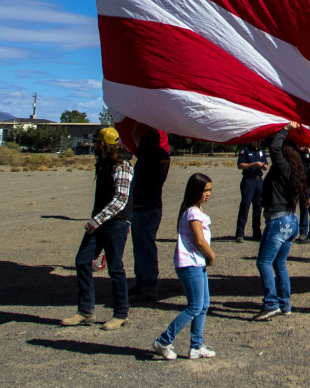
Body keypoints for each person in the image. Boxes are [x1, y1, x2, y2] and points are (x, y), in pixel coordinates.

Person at [62, 127, 135, 330]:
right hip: (101, 220)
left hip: (117, 222)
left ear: (102, 145)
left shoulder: (122, 166)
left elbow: (121, 200)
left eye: (95, 142)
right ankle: (86, 311)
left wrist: (97, 220)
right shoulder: (103, 163)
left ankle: (121, 313)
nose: (92, 145)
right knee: (83, 260)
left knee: (115, 267)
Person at [151, 173, 216, 360]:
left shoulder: (194, 210)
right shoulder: (193, 213)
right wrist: (211, 255)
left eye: (210, 190)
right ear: (195, 191)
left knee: (203, 305)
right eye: (205, 190)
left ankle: (196, 345)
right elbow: (199, 241)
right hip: (190, 265)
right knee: (195, 306)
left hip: (197, 264)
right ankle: (164, 341)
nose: (208, 194)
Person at [254, 121, 310, 321]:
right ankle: (285, 304)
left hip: (278, 221)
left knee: (263, 262)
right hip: (291, 222)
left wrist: (285, 129)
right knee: (280, 264)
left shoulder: (283, 167)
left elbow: (274, 147)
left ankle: (271, 303)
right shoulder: (295, 171)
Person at [129, 127, 170, 303]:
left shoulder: (152, 156)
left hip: (148, 207)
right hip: (143, 206)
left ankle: (149, 285)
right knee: (140, 247)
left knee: (146, 248)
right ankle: (141, 281)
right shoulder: (155, 155)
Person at [235, 140, 267, 242]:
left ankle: (257, 233)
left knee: (258, 207)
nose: (258, 143)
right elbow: (240, 165)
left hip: (259, 180)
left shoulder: (261, 151)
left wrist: (264, 166)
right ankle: (240, 233)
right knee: (245, 206)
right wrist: (253, 164)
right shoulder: (245, 150)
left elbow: (265, 163)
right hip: (249, 180)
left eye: (260, 142)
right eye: (257, 141)